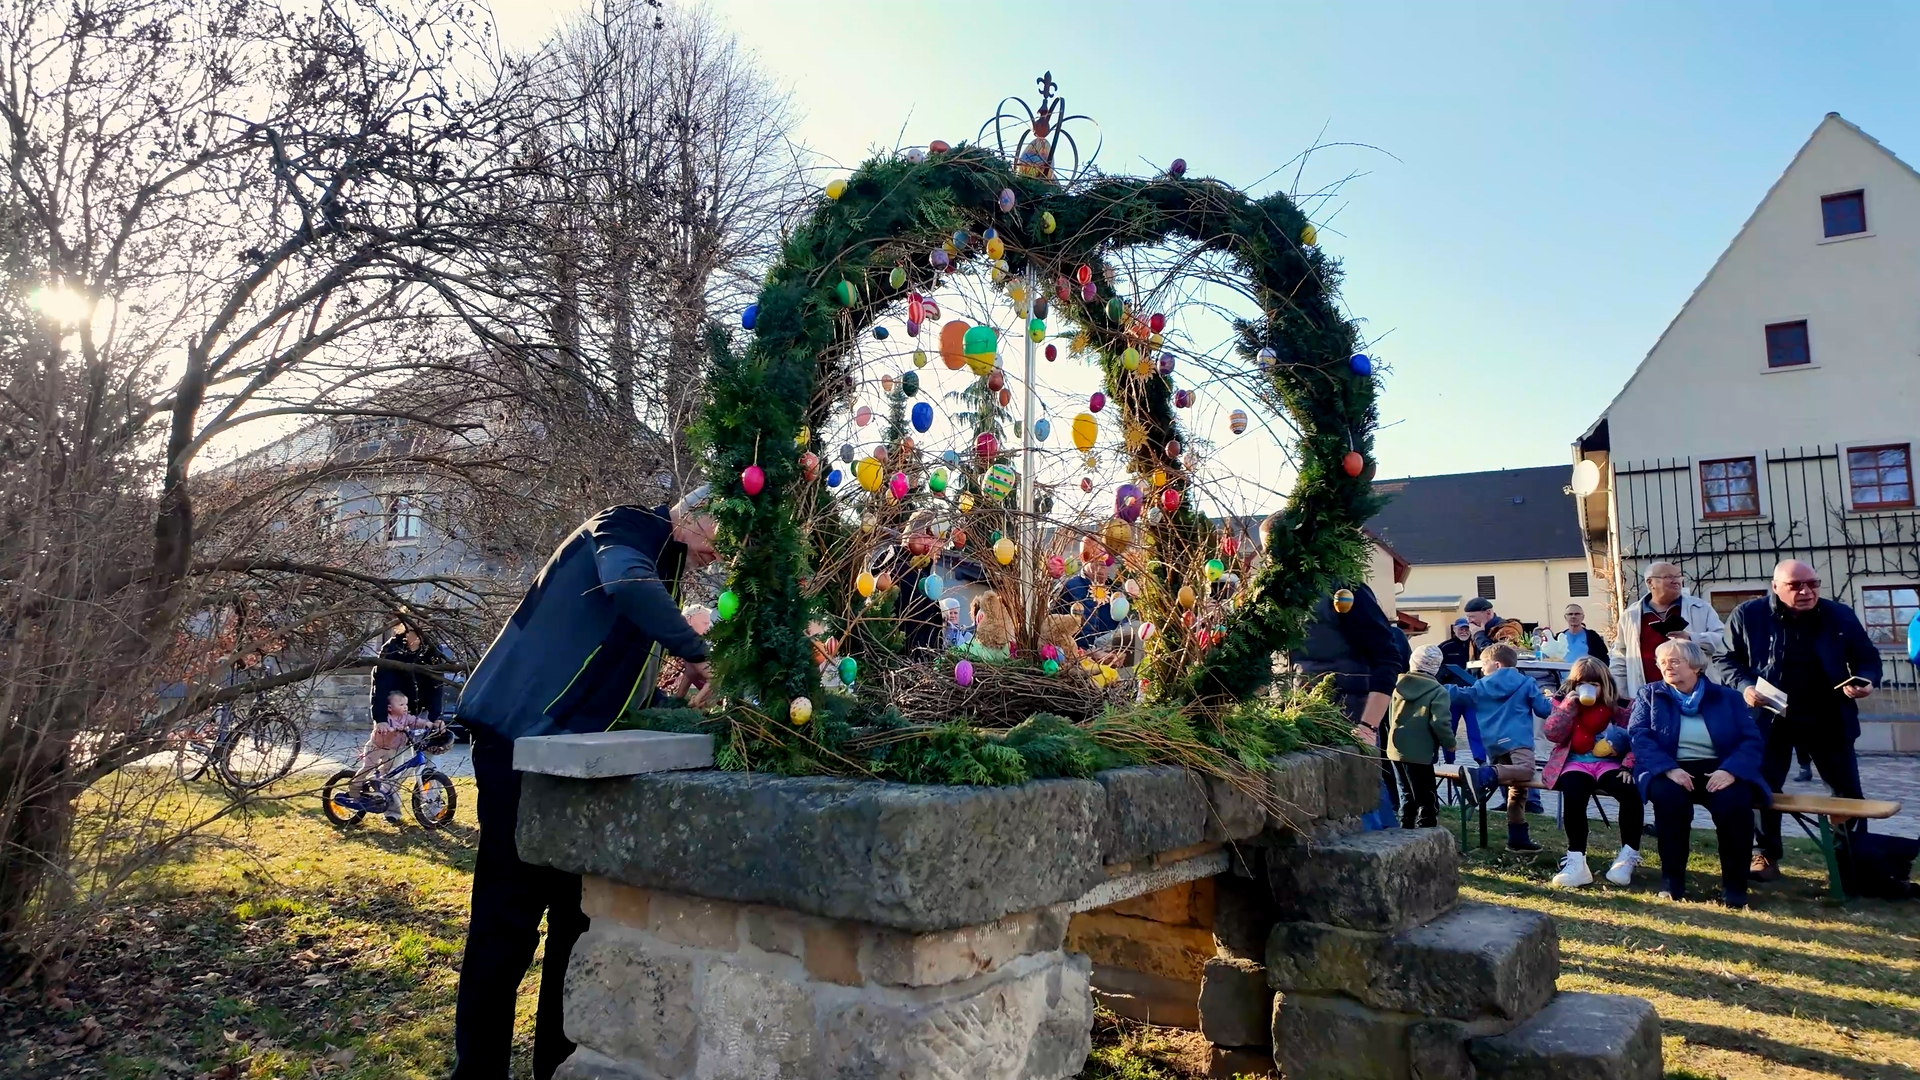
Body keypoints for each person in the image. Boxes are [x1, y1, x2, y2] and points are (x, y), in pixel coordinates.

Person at [451, 488, 719, 1080]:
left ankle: (557, 1065)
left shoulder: (665, 566)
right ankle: (478, 1072)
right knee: (507, 920)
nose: (718, 557)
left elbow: (610, 675)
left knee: (575, 922)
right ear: (697, 511)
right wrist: (697, 652)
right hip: (518, 743)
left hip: (566, 758)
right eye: (718, 539)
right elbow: (625, 585)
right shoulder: (628, 526)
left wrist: (669, 695)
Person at [1710, 559, 1881, 883]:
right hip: (1771, 717)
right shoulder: (1749, 615)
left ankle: (1850, 866)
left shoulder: (1839, 614)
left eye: (1813, 583)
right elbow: (1724, 658)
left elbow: (1866, 656)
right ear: (1775, 587)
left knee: (1847, 792)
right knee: (1763, 787)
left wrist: (1867, 680)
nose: (1806, 591)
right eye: (1796, 585)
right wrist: (1745, 687)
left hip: (1829, 716)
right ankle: (1765, 855)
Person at [1265, 512, 1402, 822]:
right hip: (1293, 727)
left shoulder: (1345, 590)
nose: (1270, 557)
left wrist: (1367, 727)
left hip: (1346, 724)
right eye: (1267, 549)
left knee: (1363, 816)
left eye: (1276, 546)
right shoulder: (1276, 597)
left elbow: (1386, 657)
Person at [1630, 638, 1769, 907]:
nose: (1666, 668)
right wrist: (1668, 769)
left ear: (1695, 666)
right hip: (1671, 767)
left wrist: (1730, 770)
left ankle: (1735, 888)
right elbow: (1639, 736)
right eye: (1662, 663)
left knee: (1734, 808)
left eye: (1674, 662)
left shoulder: (1727, 697)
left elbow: (1751, 739)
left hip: (1720, 767)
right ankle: (1672, 883)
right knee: (1670, 805)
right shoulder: (1649, 694)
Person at [1543, 657, 1642, 887]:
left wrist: (1629, 764)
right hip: (1574, 761)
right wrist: (1568, 707)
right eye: (1581, 684)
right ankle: (1577, 860)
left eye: (1594, 684)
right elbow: (1552, 734)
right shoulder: (1563, 702)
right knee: (1573, 792)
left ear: (1605, 684)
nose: (1588, 689)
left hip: (1610, 763)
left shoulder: (1620, 706)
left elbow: (1636, 737)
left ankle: (1627, 855)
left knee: (1630, 792)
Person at [1450, 644, 1554, 851]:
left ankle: (1517, 839)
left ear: (1496, 664)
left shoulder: (1480, 686)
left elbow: (1459, 695)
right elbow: (1543, 710)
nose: (1481, 670)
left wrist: (1437, 686)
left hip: (1493, 745)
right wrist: (1555, 700)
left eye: (1484, 664)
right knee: (1525, 773)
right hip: (1518, 741)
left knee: (1515, 788)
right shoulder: (1527, 682)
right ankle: (1484, 774)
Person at [1611, 561, 1725, 697]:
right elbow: (1620, 656)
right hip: (1649, 697)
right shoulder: (1630, 616)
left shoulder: (1700, 608)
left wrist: (1692, 638)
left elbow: (1724, 643)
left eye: (1678, 577)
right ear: (1650, 582)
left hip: (1695, 695)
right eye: (1669, 577)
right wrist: (1620, 694)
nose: (1676, 581)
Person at [1388, 645, 1456, 828]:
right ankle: (1427, 824)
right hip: (1421, 750)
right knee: (1426, 791)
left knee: (1405, 790)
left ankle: (1406, 823)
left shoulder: (1398, 686)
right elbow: (1440, 722)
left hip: (1396, 747)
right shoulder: (1438, 691)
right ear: (1436, 667)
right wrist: (1449, 743)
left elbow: (1390, 715)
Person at [355, 690, 435, 824]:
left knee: (393, 780)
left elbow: (416, 720)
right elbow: (383, 727)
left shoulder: (406, 717)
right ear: (390, 708)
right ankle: (355, 786)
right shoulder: (386, 718)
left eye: (406, 704)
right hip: (376, 747)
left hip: (394, 751)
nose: (405, 707)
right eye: (401, 704)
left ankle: (393, 812)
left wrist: (427, 724)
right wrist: (390, 729)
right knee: (368, 767)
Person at [370, 619, 443, 724]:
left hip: (421, 711)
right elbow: (380, 685)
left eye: (420, 620)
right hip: (394, 713)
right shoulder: (391, 648)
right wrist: (381, 719)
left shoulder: (432, 650)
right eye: (412, 620)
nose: (417, 624)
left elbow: (437, 686)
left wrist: (437, 718)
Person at [1055, 552, 1119, 651]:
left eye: (1105, 554)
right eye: (1096, 551)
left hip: (1110, 660)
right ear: (1083, 558)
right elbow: (1054, 630)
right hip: (1076, 659)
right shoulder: (1069, 587)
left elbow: (1124, 630)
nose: (1102, 558)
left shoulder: (1115, 592)